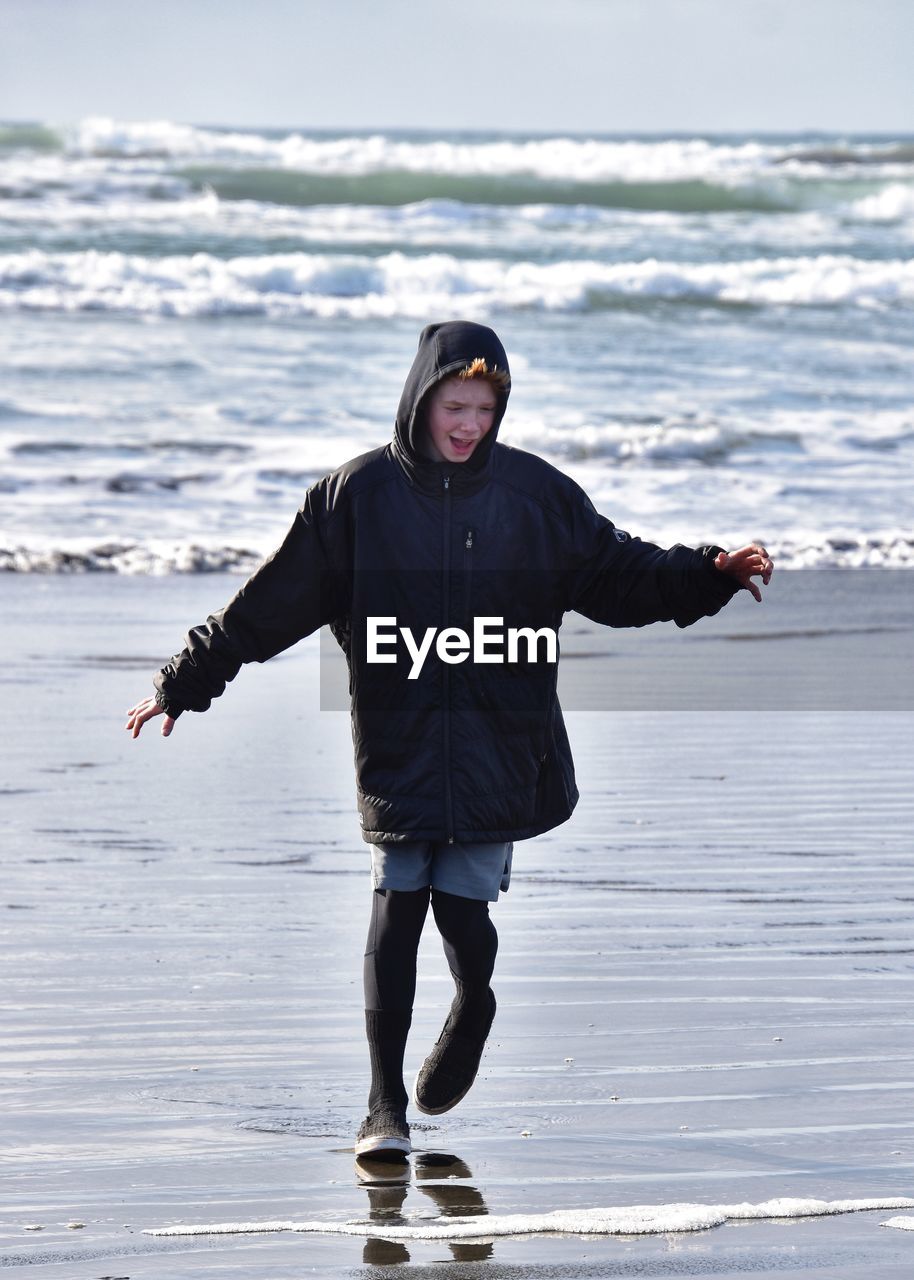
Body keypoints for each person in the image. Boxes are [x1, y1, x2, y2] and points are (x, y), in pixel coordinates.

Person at [126, 320, 773, 1161]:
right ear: (419, 398)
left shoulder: (536, 498)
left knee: (464, 912)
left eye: (485, 407)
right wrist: (184, 681)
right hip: (395, 742)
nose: (469, 423)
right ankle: (382, 1109)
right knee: (397, 904)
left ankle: (476, 1005)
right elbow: (270, 603)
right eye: (454, 404)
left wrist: (709, 572)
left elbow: (621, 575)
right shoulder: (353, 498)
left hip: (499, 739)